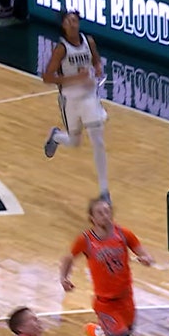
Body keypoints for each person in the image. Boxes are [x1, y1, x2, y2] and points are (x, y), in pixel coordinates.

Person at [60, 197, 168, 336]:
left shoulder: (124, 234)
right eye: (100, 213)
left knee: (123, 334)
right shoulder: (86, 240)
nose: (105, 215)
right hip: (105, 305)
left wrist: (146, 259)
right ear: (91, 218)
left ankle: (99, 332)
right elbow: (68, 258)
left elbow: (143, 252)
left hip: (126, 300)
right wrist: (64, 278)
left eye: (107, 211)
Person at [43, 11, 110, 202]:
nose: (72, 23)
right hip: (70, 100)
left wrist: (98, 68)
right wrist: (74, 78)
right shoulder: (61, 49)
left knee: (98, 141)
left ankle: (104, 191)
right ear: (63, 26)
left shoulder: (89, 41)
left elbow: (96, 60)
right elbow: (47, 77)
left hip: (89, 97)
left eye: (74, 20)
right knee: (74, 142)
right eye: (68, 21)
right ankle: (56, 136)